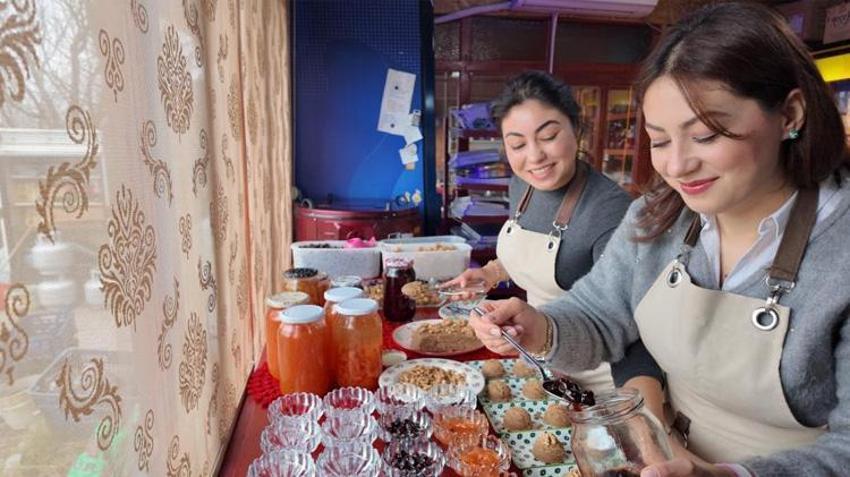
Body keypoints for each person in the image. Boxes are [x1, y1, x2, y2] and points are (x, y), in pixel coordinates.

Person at [470, 3, 850, 476]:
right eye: (660, 140)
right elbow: (598, 314)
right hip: (661, 454)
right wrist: (540, 327)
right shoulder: (657, 217)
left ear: (790, 114)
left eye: (706, 134)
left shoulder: (839, 249)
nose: (677, 166)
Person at [442, 71, 664, 398]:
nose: (534, 156)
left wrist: (640, 416)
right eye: (517, 144)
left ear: (577, 129)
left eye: (548, 136)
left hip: (597, 381)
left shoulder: (610, 210)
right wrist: (489, 274)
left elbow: (632, 330)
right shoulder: (523, 185)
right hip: (538, 360)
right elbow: (532, 255)